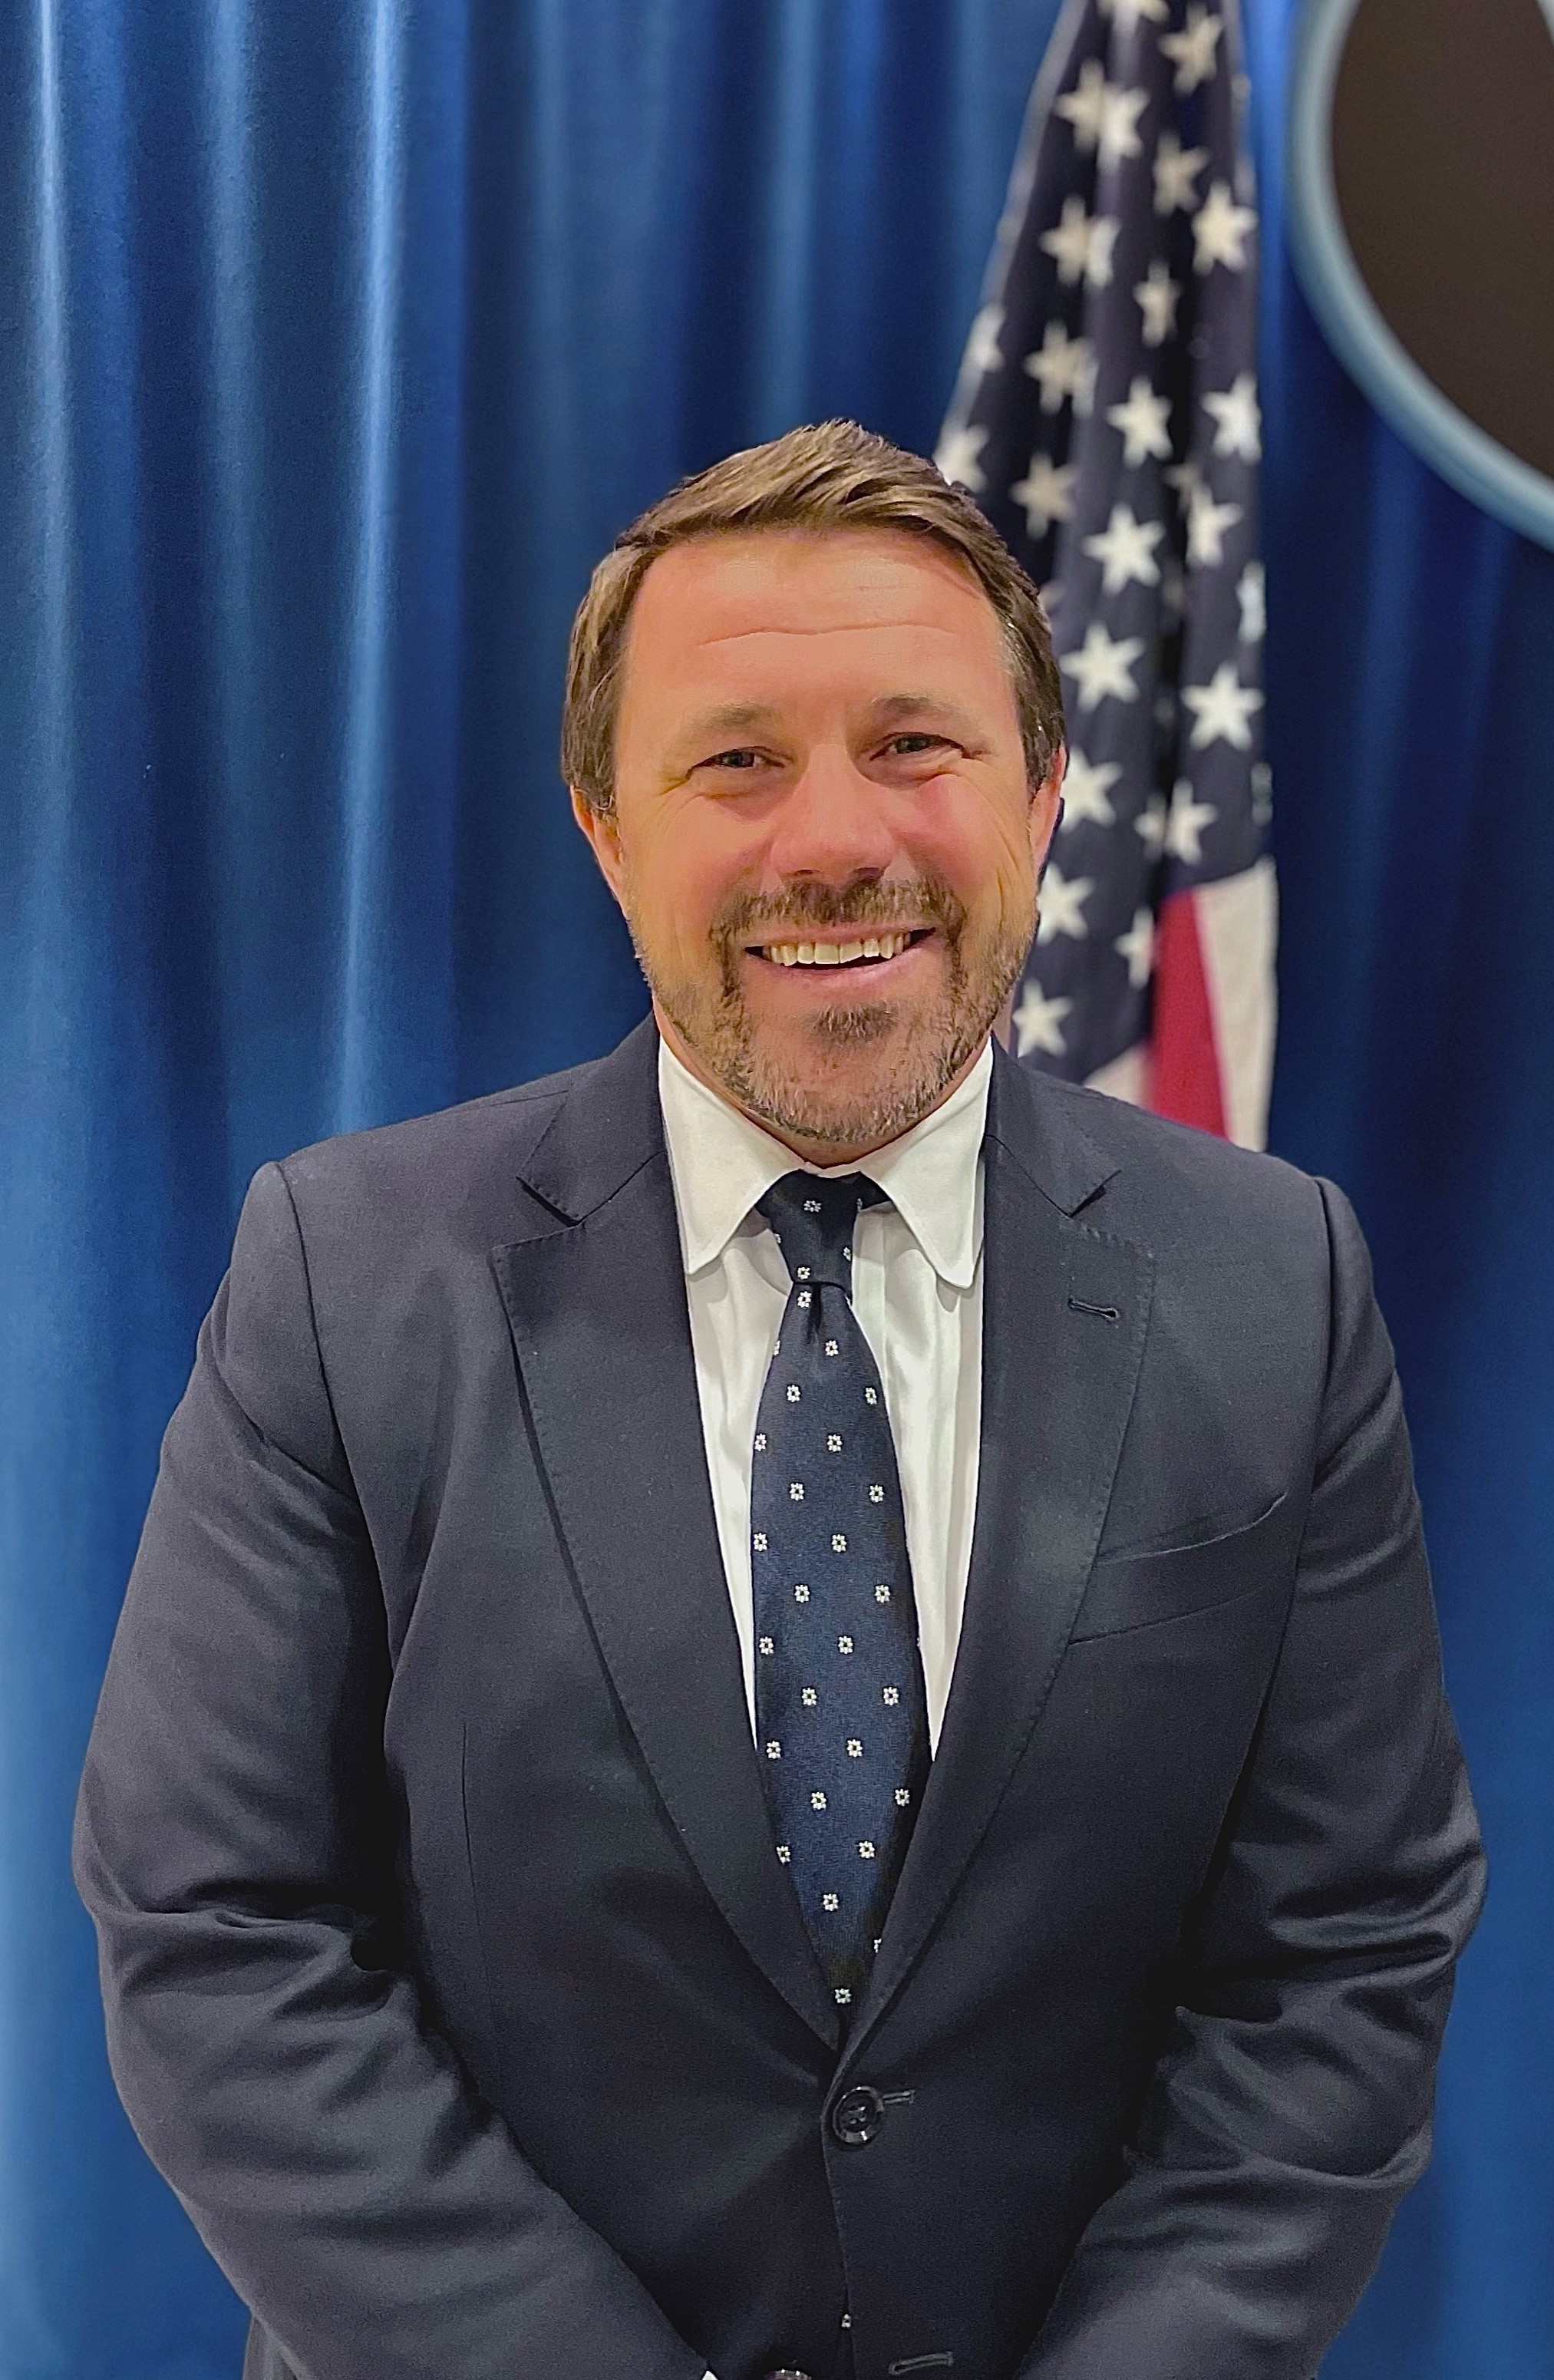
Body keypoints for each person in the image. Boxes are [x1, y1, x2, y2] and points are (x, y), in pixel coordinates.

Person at [74, 420, 1486, 2380]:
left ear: (1042, 797)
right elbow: (216, 1926)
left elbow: (1339, 1947)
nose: (832, 837)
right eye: (734, 761)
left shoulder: (1276, 1284)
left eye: (913, 744)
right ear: (605, 827)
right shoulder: (345, 1276)